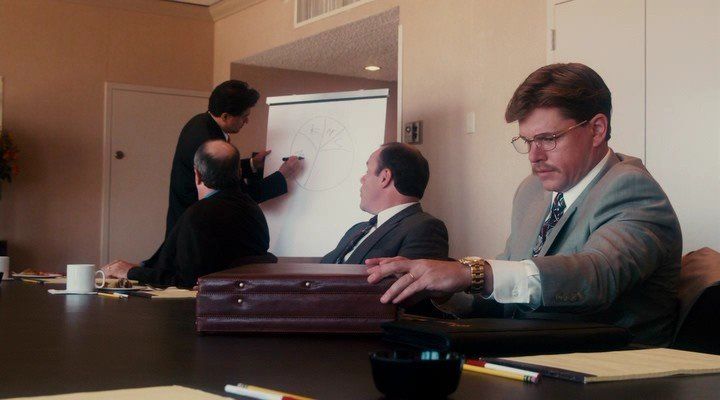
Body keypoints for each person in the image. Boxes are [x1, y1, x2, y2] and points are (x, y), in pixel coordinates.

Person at [366, 63, 682, 346]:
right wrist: (447, 290)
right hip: (529, 352)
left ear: (596, 129)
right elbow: (511, 289)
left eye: (548, 138)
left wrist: (472, 273)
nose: (534, 156)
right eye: (528, 141)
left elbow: (597, 275)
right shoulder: (532, 191)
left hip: (611, 366)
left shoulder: (632, 188)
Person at [102, 140, 275, 288]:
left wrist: (131, 272)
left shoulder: (198, 216)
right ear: (239, 172)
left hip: (193, 307)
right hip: (239, 303)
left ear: (197, 174)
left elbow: (187, 281)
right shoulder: (253, 210)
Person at [166, 80, 301, 237]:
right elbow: (239, 197)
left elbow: (221, 171)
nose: (247, 121)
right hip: (196, 232)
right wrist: (281, 175)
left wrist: (252, 164)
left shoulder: (199, 122)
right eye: (244, 117)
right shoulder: (210, 144)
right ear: (225, 116)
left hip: (185, 224)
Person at [321, 143, 448, 264]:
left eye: (367, 172)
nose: (362, 179)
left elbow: (406, 278)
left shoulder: (425, 228)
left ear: (384, 177)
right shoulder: (356, 229)